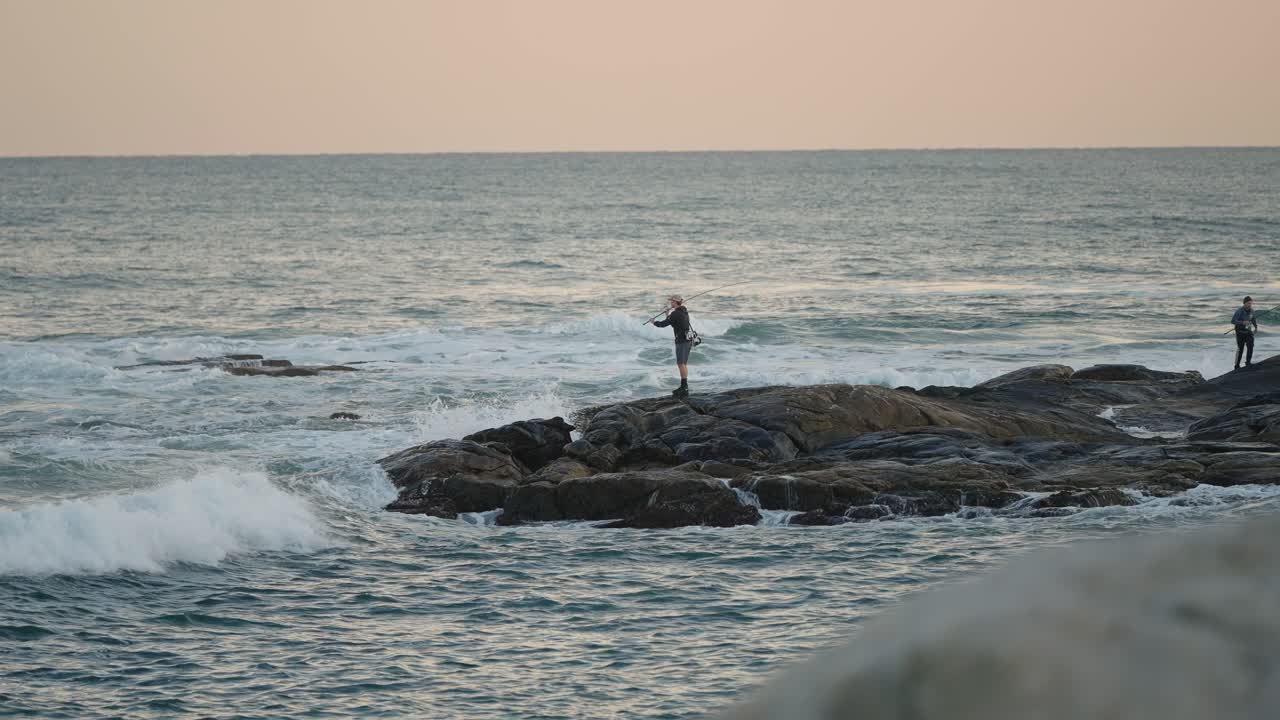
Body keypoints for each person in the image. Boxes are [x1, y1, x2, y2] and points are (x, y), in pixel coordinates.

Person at [653, 294, 694, 397]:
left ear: (675, 302)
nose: (670, 303)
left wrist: (653, 322)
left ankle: (684, 387)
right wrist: (668, 314)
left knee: (681, 364)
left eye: (671, 301)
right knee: (683, 363)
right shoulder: (684, 311)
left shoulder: (676, 313)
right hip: (687, 340)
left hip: (682, 341)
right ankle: (684, 386)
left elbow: (663, 324)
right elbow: (673, 323)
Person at [1232, 296, 1259, 370]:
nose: (1250, 305)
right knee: (1240, 349)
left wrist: (1256, 327)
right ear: (1244, 303)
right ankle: (1237, 365)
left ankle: (1248, 362)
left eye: (1251, 303)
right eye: (1248, 303)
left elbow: (1253, 319)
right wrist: (1242, 322)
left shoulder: (1252, 311)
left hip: (1248, 331)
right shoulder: (1239, 311)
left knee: (1251, 346)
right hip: (1240, 332)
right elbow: (1233, 321)